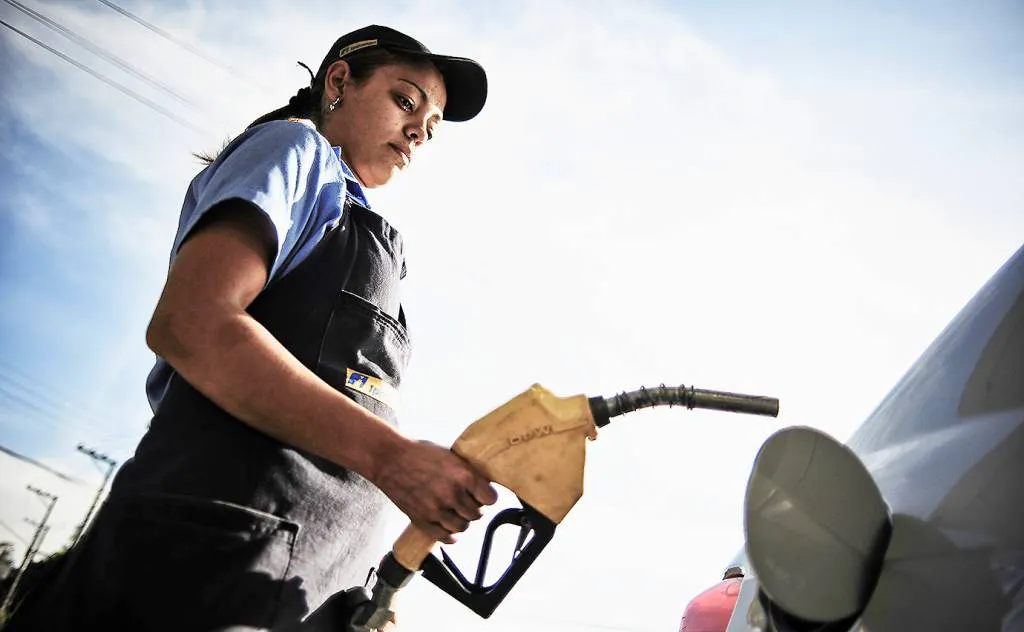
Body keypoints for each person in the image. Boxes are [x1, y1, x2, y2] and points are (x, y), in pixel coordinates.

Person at [5, 24, 498, 631]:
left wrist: (352, 588)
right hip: (206, 565)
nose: (422, 129)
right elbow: (192, 323)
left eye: (435, 122)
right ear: (339, 81)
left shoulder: (362, 221)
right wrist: (392, 459)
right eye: (405, 100)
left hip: (298, 588)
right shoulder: (296, 152)